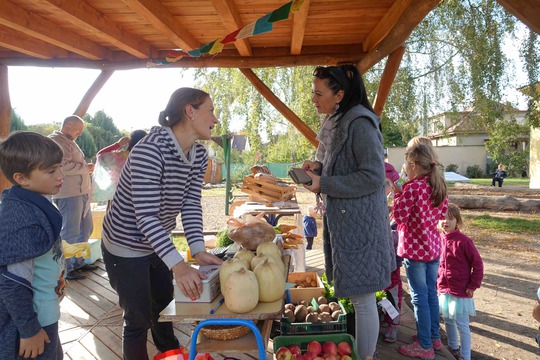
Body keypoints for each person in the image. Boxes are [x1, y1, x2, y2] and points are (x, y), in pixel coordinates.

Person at [101, 87, 223, 359]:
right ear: (189, 111)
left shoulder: (199, 154)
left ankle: (170, 354)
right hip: (124, 246)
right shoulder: (150, 151)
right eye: (211, 111)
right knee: (138, 319)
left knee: (164, 308)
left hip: (155, 244)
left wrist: (198, 249)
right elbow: (146, 216)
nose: (215, 119)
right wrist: (178, 265)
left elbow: (190, 203)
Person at [301, 65, 396, 359]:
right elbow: (346, 165)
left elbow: (372, 176)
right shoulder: (339, 122)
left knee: (364, 300)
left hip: (361, 227)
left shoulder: (360, 123)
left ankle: (366, 356)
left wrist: (324, 182)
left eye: (319, 93)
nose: (314, 99)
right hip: (348, 224)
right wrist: (319, 169)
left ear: (339, 95)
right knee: (360, 299)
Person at [0, 131, 66, 359]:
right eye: (51, 171)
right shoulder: (20, 220)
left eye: (59, 166)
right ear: (21, 178)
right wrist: (29, 330)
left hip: (45, 312)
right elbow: (11, 283)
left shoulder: (34, 200)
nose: (61, 175)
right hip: (34, 322)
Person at [391, 143, 448, 359]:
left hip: (415, 253)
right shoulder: (438, 185)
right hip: (433, 250)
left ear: (413, 165)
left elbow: (399, 217)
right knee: (431, 295)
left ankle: (424, 346)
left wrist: (397, 194)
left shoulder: (412, 188)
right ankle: (433, 337)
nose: (404, 167)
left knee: (419, 298)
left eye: (406, 163)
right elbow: (441, 214)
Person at [49, 115, 96, 281]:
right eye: (79, 128)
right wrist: (86, 167)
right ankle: (66, 269)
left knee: (86, 229)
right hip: (69, 194)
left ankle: (79, 261)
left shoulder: (69, 140)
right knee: (70, 231)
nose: (81, 132)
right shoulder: (56, 141)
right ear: (68, 124)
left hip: (81, 193)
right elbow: (62, 165)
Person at [438, 204, 484, 360]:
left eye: (450, 218)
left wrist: (473, 285)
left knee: (462, 324)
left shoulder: (463, 241)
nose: (446, 221)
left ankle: (466, 355)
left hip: (461, 290)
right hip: (444, 288)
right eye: (443, 218)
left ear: (457, 221)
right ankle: (453, 346)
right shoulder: (438, 239)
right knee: (448, 319)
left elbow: (477, 264)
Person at [92, 130, 147, 203]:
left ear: (130, 141)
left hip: (118, 195)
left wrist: (118, 144)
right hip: (140, 195)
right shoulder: (147, 159)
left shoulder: (120, 156)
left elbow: (100, 154)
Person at [382, 163, 403, 343]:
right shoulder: (376, 203)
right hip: (377, 259)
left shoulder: (399, 205)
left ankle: (393, 323)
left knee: (392, 293)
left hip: (393, 262)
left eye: (386, 184)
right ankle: (383, 316)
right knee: (379, 293)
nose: (383, 189)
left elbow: (400, 232)